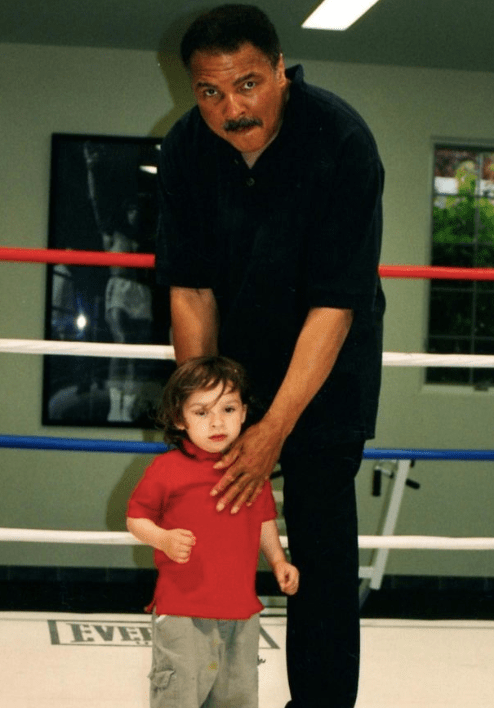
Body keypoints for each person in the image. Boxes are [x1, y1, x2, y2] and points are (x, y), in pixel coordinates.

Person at [155, 5, 385, 707]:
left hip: (327, 369)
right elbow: (191, 291)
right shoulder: (187, 149)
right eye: (211, 92)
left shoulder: (340, 138)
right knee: (207, 528)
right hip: (234, 370)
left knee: (318, 546)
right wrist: (204, 415)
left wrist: (273, 430)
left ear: (282, 71)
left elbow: (336, 304)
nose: (233, 108)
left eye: (249, 83)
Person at [127, 355, 299, 708]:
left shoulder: (252, 468)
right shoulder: (166, 469)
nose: (217, 422)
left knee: (237, 697)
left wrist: (279, 560)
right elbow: (135, 519)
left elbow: (265, 519)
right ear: (180, 418)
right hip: (182, 610)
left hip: (241, 611)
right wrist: (163, 538)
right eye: (201, 412)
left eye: (228, 409)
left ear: (244, 412)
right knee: (178, 697)